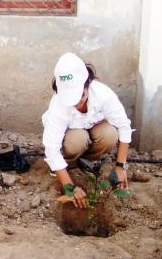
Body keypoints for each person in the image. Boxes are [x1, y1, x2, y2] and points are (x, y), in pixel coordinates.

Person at [42, 52, 132, 208]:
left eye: (80, 96)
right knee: (78, 139)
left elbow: (124, 127)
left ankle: (85, 163)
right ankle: (67, 165)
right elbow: (52, 149)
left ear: (87, 84)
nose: (76, 103)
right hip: (72, 137)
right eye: (71, 99)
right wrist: (69, 188)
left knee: (110, 134)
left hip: (92, 129)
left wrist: (120, 166)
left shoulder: (103, 95)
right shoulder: (58, 105)